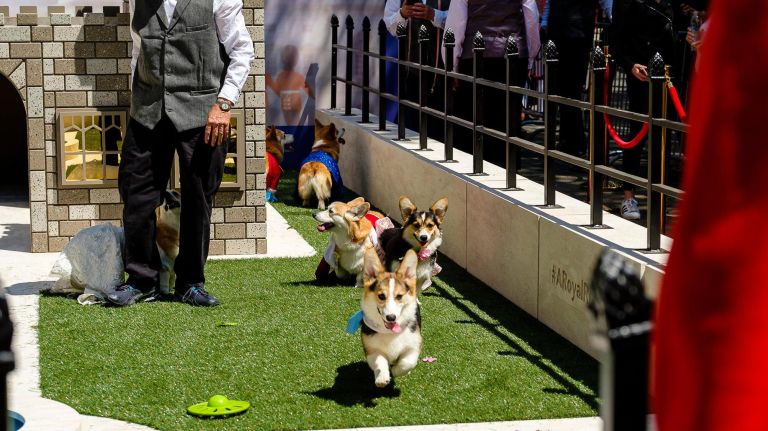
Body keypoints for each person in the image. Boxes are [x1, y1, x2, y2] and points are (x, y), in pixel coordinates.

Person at [109, 0, 255, 307]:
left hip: (203, 111)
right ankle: (141, 279)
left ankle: (190, 283)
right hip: (148, 111)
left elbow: (242, 49)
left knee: (198, 197)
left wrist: (224, 103)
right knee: (136, 194)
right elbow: (139, 50)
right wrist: (137, 102)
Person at [443, 0, 540, 168]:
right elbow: (532, 20)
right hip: (512, 56)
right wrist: (530, 57)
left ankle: (477, 168)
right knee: (507, 119)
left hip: (475, 58)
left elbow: (455, 26)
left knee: (476, 118)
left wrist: (452, 66)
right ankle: (508, 169)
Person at [608, 0, 676, 220]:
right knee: (637, 133)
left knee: (664, 136)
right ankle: (628, 196)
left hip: (669, 75)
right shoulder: (627, 3)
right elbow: (616, 42)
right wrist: (630, 66)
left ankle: (660, 196)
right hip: (641, 74)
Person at [543, 0, 612, 157]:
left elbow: (607, 4)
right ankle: (568, 140)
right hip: (560, 34)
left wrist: (613, 17)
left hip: (576, 37)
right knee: (561, 90)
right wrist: (546, 24)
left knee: (571, 90)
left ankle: (575, 142)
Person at [384, 0, 451, 140]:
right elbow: (390, 25)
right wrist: (402, 14)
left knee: (442, 129)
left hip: (443, 73)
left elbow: (459, 21)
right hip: (412, 73)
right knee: (413, 127)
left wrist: (434, 15)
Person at [266, 45, 315, 126]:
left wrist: (270, 82)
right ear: (295, 61)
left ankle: (293, 131)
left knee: (289, 121)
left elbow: (277, 90)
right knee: (295, 120)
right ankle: (296, 131)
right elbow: (307, 89)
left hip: (286, 101)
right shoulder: (297, 76)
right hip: (295, 101)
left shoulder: (281, 76)